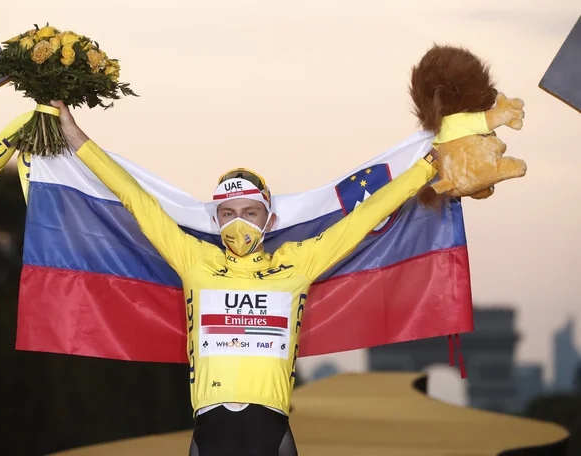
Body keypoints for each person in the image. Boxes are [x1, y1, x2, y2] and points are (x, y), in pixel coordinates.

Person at [50, 99, 439, 456]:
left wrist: (427, 166)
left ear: (270, 220)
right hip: (209, 429)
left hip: (271, 429)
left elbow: (364, 217)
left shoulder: (298, 262)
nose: (238, 221)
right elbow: (135, 198)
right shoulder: (194, 260)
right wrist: (75, 135)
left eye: (250, 212)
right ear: (214, 220)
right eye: (227, 213)